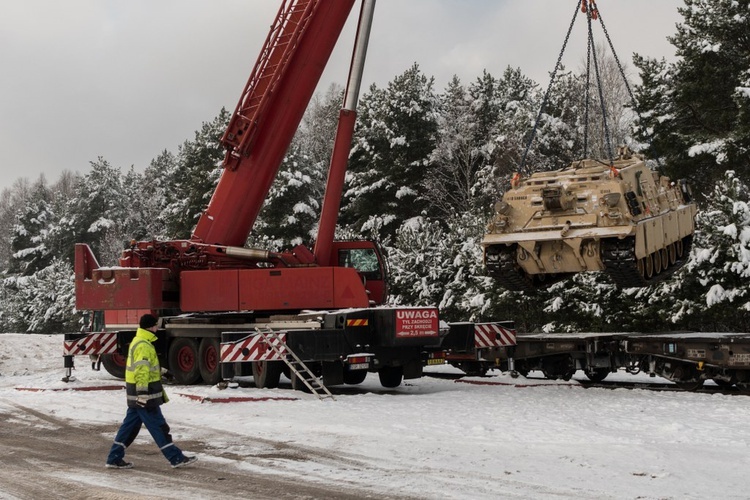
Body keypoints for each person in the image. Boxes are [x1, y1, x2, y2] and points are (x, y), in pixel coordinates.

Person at [105, 314, 197, 469]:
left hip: (136, 396)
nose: (157, 328)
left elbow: (146, 367)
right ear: (151, 327)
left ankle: (114, 458)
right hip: (145, 397)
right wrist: (142, 395)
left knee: (128, 429)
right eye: (156, 325)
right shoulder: (144, 345)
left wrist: (164, 372)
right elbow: (141, 371)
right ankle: (176, 458)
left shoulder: (139, 341)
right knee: (159, 427)